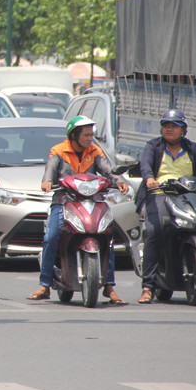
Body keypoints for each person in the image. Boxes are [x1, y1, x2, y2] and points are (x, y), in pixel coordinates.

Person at [136, 109, 196, 304]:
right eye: (166, 125)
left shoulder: (192, 148)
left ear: (183, 130)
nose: (169, 129)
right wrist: (149, 179)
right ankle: (148, 286)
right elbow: (145, 165)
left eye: (174, 126)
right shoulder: (153, 146)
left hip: (188, 194)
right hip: (159, 193)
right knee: (155, 231)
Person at [28, 116, 129, 304]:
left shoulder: (95, 150)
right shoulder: (59, 151)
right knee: (51, 236)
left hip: (92, 201)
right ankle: (45, 284)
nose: (90, 138)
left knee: (107, 236)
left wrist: (120, 181)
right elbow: (50, 169)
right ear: (74, 135)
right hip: (64, 201)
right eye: (86, 135)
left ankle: (109, 287)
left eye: (91, 135)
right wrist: (47, 181)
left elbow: (108, 170)